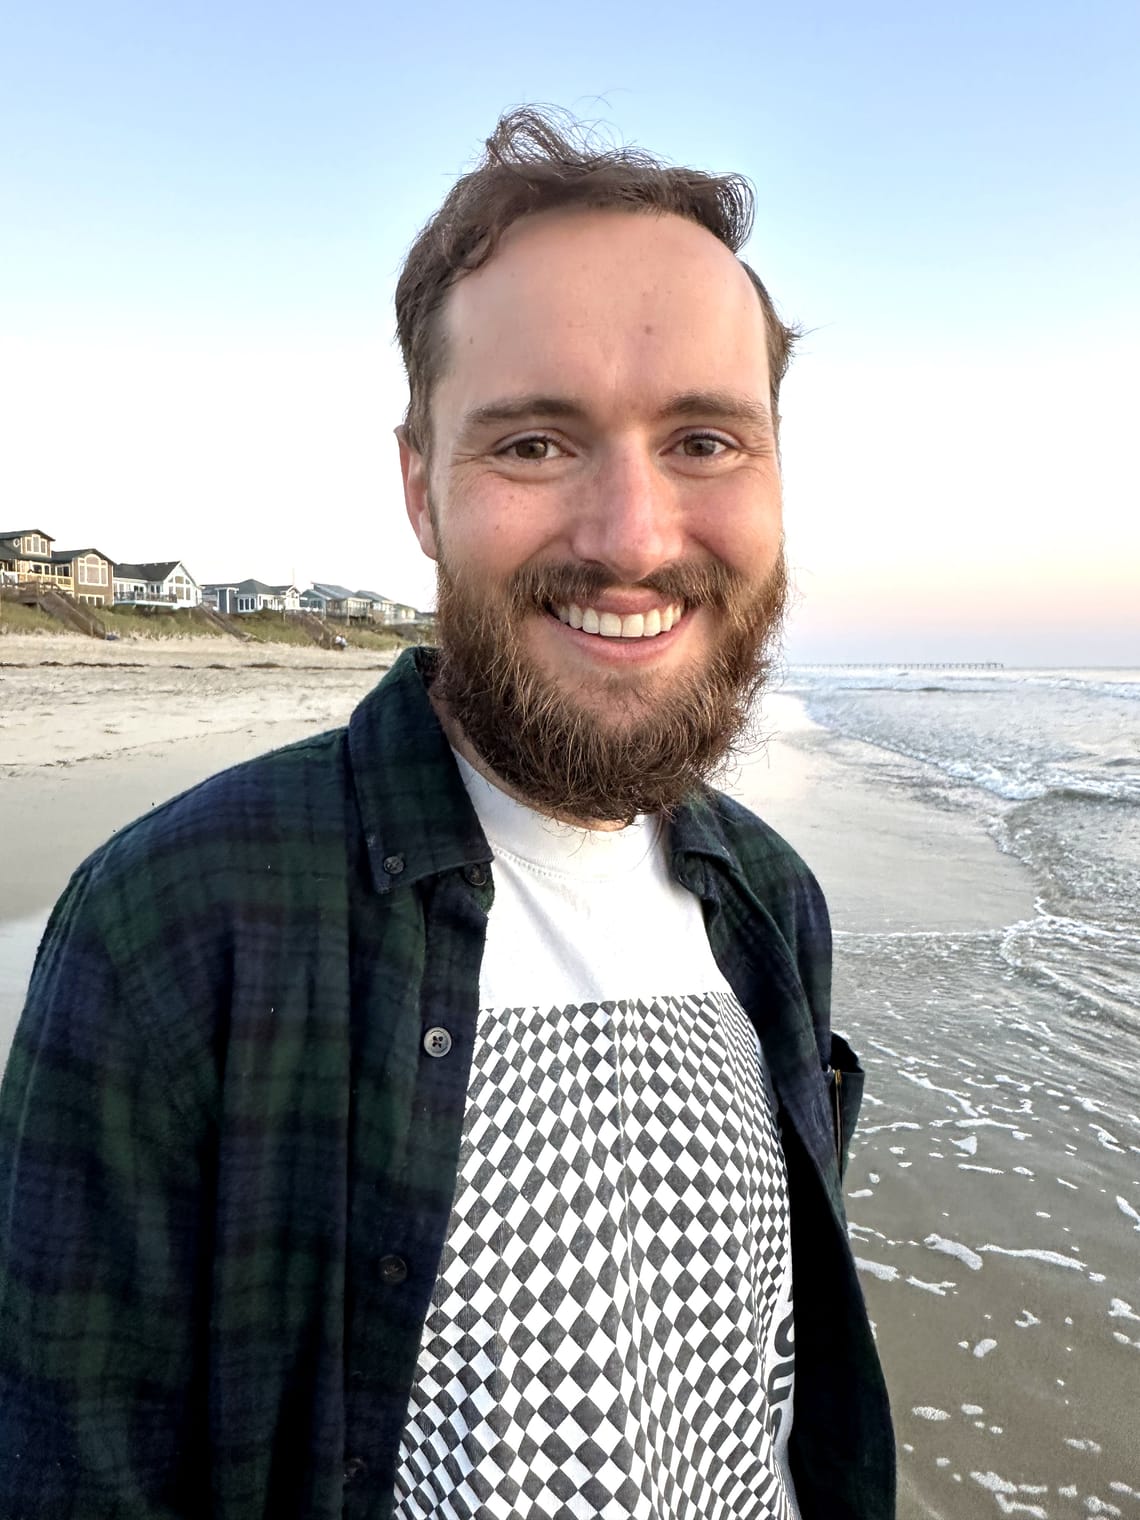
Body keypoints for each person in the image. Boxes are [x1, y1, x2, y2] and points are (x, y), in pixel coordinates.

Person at [0, 109, 894, 1518]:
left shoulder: (771, 902)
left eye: (704, 440)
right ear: (421, 487)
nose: (633, 535)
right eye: (534, 442)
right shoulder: (174, 931)